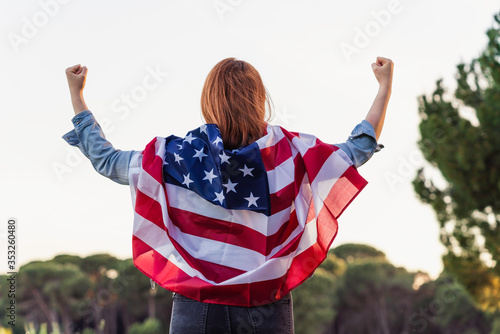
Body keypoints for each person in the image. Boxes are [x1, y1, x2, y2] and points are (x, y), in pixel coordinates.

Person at [63, 56, 393, 333]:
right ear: (259, 99)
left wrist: (78, 97)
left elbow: (107, 160)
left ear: (208, 100)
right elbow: (358, 149)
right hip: (266, 307)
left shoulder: (172, 157)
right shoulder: (292, 154)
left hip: (196, 307)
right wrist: (384, 87)